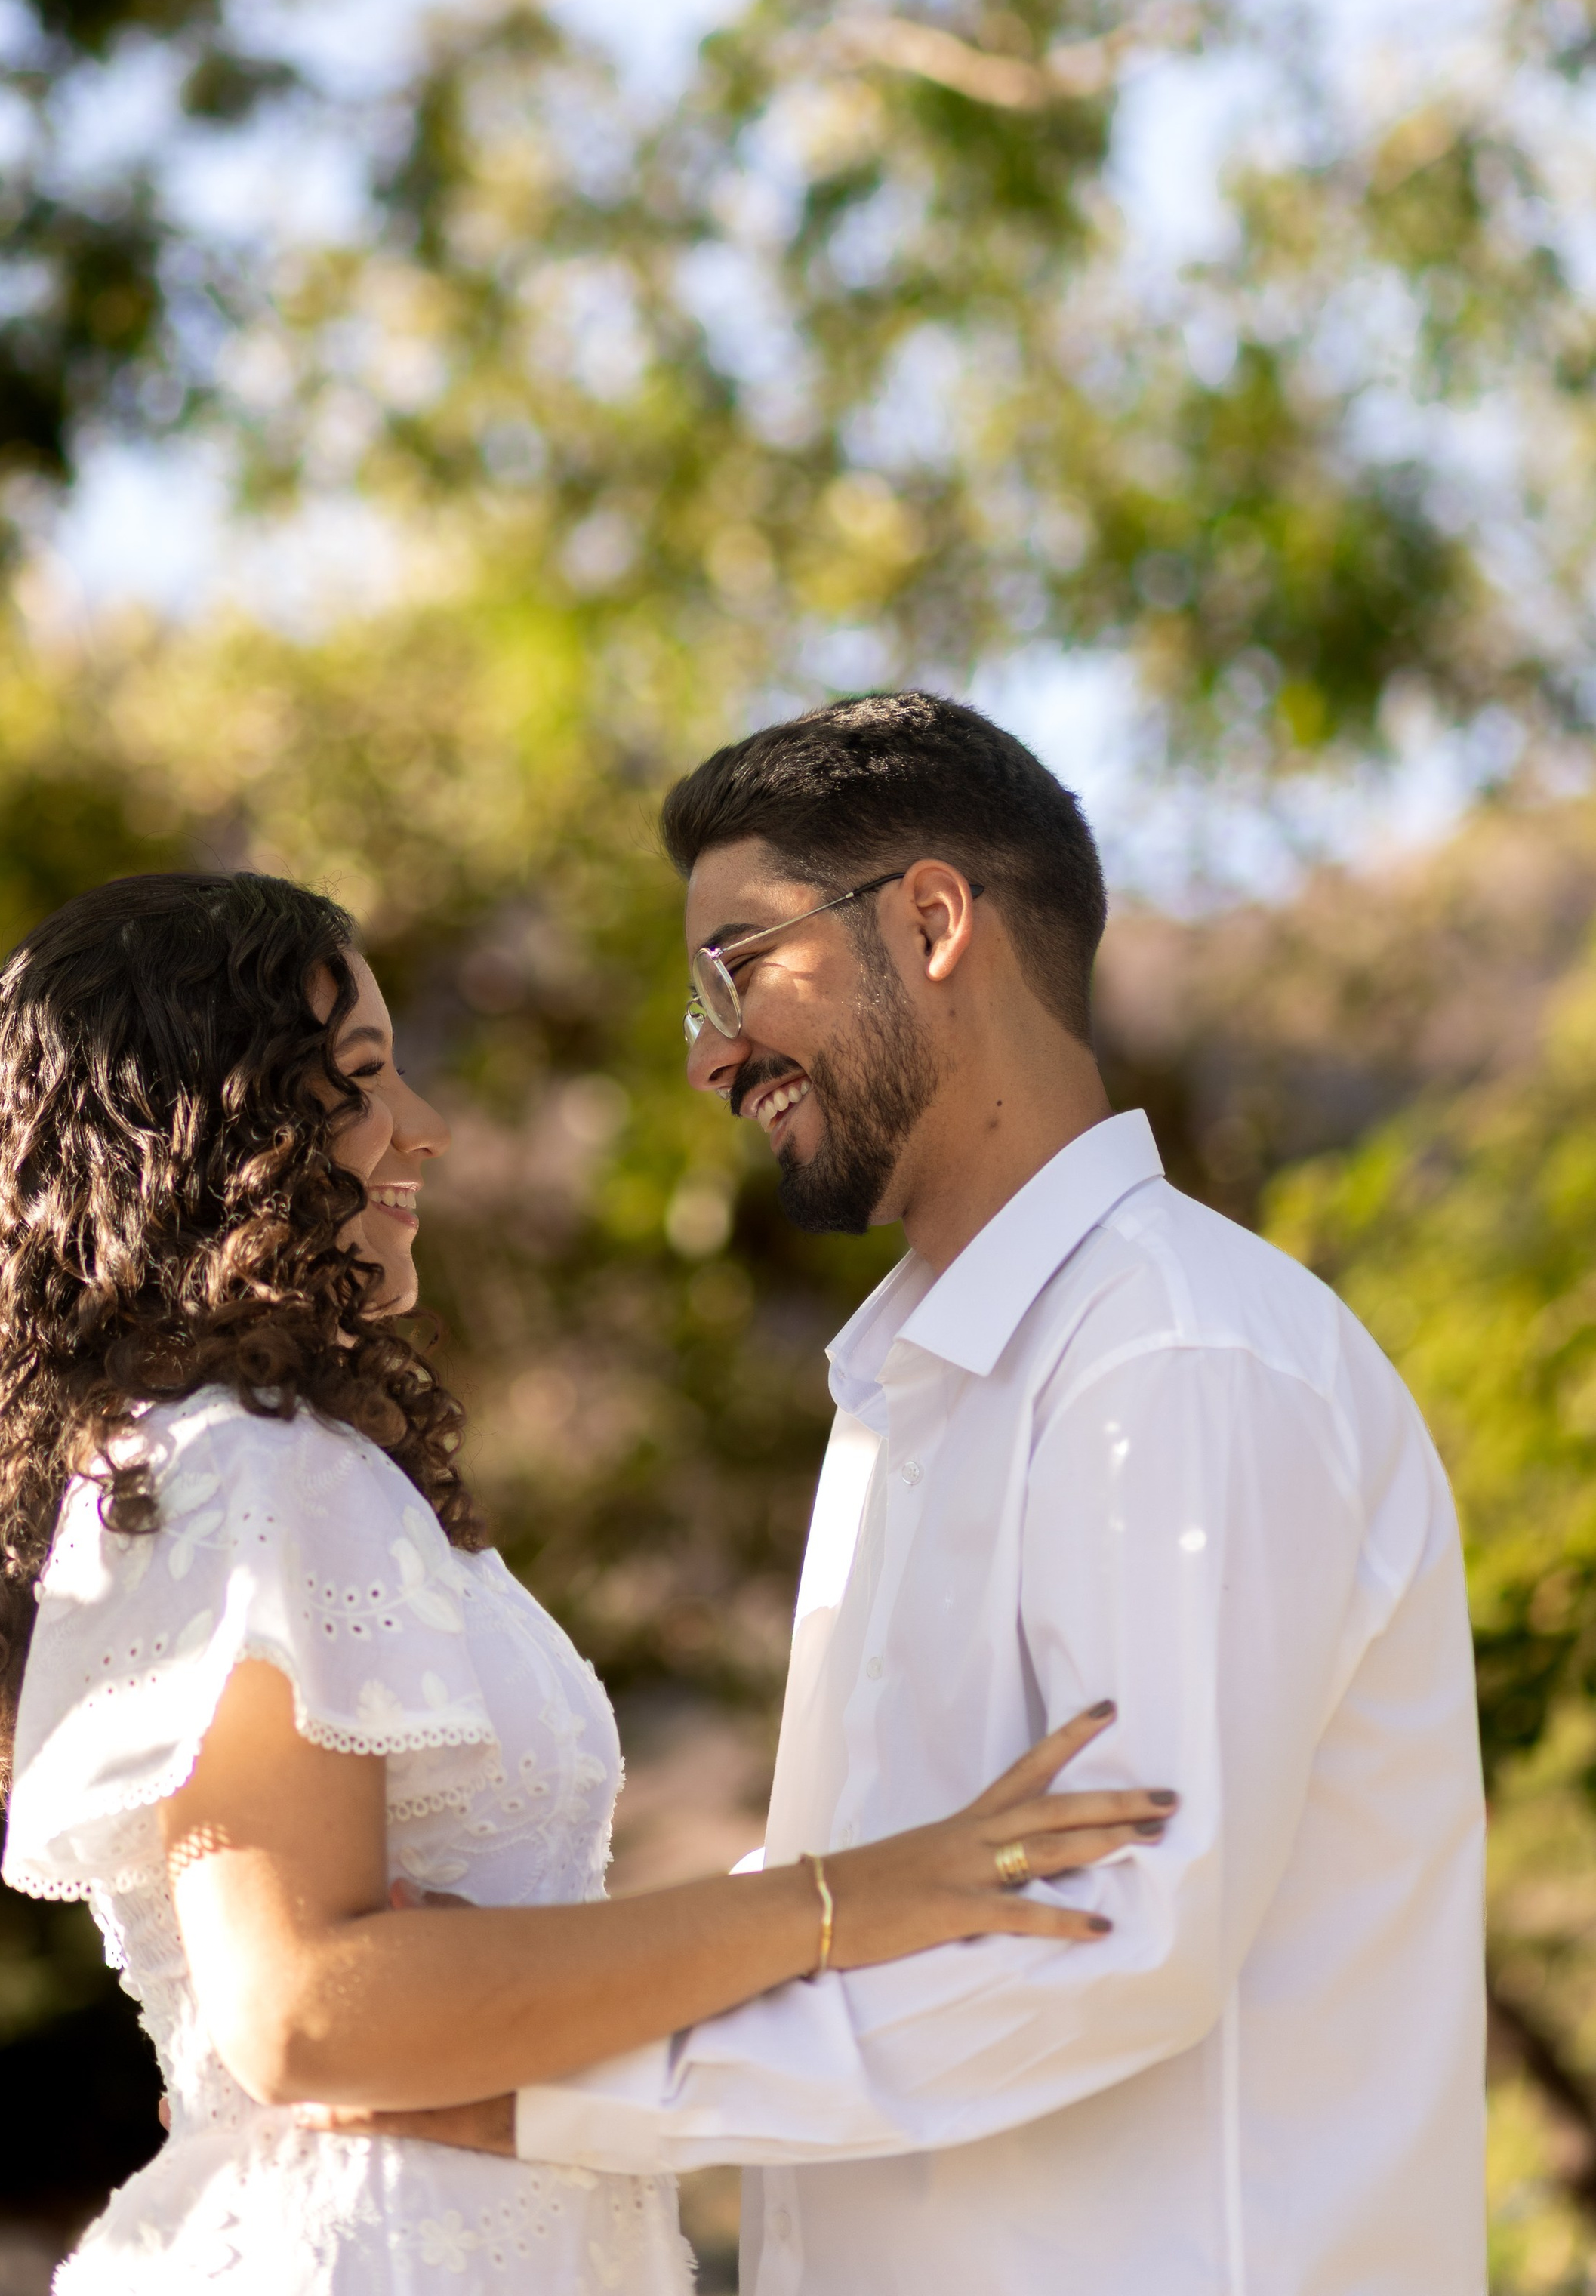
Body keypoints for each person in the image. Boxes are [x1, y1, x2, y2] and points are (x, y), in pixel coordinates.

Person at [0, 865, 1175, 2296]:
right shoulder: (241, 1463)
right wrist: (845, 1905)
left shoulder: (250, 1464)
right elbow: (296, 2012)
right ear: (209, 1130)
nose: (427, 1127)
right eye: (360, 1078)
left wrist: (526, 1968)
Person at [339, 694, 1487, 2296]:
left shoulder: (1175, 1358)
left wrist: (543, 2086)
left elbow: (1105, 1933)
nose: (704, 1050)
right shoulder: (909, 1390)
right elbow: (863, 1895)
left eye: (738, 965)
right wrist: (522, 1977)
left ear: (931, 920)